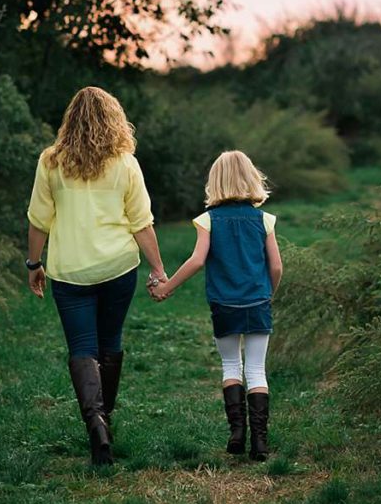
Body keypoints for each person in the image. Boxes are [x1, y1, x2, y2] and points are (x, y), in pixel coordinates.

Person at [26, 86, 166, 466]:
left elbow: (39, 220)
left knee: (82, 348)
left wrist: (34, 264)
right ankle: (107, 419)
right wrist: (157, 268)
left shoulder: (50, 162)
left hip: (70, 272)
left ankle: (96, 426)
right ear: (113, 119)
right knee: (110, 342)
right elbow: (142, 223)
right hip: (118, 267)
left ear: (70, 119)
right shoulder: (125, 162)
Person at [150, 150, 283, 461]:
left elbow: (197, 260)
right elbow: (276, 267)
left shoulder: (208, 220)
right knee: (256, 369)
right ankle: (260, 444)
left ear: (215, 182)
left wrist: (167, 287)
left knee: (231, 366)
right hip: (257, 301)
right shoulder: (264, 219)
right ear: (252, 177)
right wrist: (268, 293)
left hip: (224, 304)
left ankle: (237, 433)